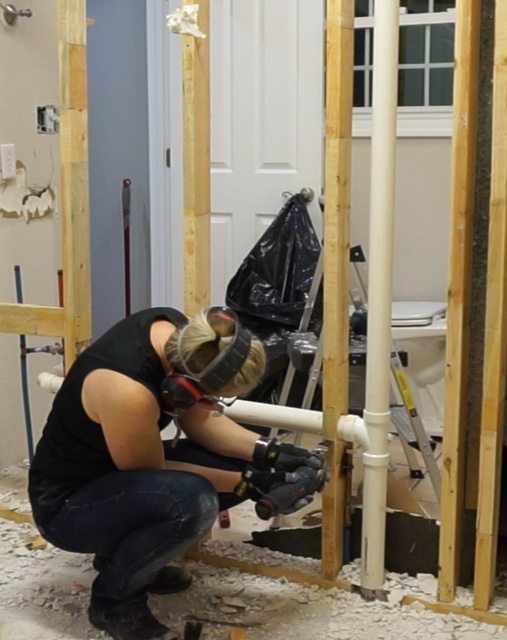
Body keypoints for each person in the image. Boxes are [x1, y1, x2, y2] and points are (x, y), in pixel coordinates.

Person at [28, 306, 325, 640]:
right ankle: (114, 603)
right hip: (67, 506)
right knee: (190, 501)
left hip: (111, 476)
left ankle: (132, 561)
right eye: (216, 397)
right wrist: (252, 484)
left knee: (234, 469)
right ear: (186, 384)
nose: (215, 403)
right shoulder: (128, 391)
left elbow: (199, 421)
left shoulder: (186, 339)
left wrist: (272, 453)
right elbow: (150, 471)